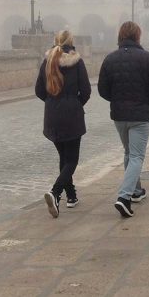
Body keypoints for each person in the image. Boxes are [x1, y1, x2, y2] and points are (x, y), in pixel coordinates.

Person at [98, 21, 149, 218]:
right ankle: (124, 197)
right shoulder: (147, 58)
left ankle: (136, 191)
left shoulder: (110, 59)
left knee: (129, 153)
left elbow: (102, 89)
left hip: (119, 115)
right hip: (140, 116)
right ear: (137, 36)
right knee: (136, 156)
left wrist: (117, 100)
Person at [35, 30, 91, 218]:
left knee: (64, 158)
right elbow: (86, 91)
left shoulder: (48, 61)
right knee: (71, 160)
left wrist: (53, 103)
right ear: (71, 42)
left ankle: (72, 197)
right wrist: (74, 104)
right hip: (72, 115)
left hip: (52, 115)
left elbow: (38, 90)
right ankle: (56, 192)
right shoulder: (77, 62)